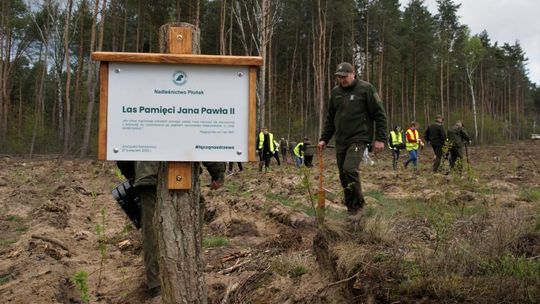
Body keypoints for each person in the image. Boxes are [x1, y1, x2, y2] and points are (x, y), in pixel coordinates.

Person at [116, 160, 224, 298]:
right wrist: (218, 173)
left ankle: (156, 282)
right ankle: (189, 270)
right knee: (191, 217)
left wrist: (134, 173)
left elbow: (123, 153)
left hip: (148, 172)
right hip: (183, 169)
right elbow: (203, 140)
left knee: (151, 227)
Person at [318, 62, 387, 216]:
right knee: (343, 175)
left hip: (359, 138)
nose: (342, 80)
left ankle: (359, 207)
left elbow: (380, 114)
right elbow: (330, 118)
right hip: (341, 140)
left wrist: (380, 139)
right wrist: (324, 139)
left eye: (344, 77)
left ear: (353, 74)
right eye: (339, 77)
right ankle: (351, 209)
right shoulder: (336, 92)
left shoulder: (366, 89)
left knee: (349, 169)